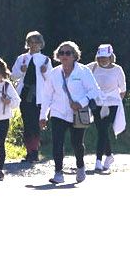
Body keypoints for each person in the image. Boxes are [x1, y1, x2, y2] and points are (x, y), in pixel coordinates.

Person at [39, 41, 99, 186]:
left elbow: (94, 90)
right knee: (57, 143)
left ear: (74, 55)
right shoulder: (54, 73)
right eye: (61, 53)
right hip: (58, 112)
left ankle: (80, 167)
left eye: (68, 53)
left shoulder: (83, 71)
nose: (64, 56)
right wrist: (43, 115)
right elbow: (46, 95)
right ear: (57, 56)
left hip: (78, 113)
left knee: (77, 143)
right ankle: (58, 173)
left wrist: (81, 102)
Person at [12, 31, 49, 163]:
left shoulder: (45, 60)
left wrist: (45, 72)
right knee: (27, 124)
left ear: (41, 44)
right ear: (28, 44)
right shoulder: (22, 58)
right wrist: (21, 70)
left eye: (36, 42)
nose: (33, 45)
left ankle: (34, 151)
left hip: (38, 96)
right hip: (25, 95)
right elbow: (13, 75)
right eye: (31, 42)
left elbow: (50, 80)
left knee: (36, 123)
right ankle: (29, 152)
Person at [90, 43, 127, 173]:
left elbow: (122, 90)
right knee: (101, 130)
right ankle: (109, 155)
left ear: (111, 57)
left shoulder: (117, 70)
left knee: (104, 128)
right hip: (97, 102)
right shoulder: (92, 67)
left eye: (105, 58)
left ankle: (98, 160)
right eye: (100, 58)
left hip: (112, 103)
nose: (102, 60)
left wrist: (115, 102)